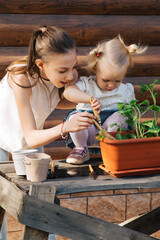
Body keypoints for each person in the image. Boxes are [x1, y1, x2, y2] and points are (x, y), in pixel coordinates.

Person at [0, 25, 95, 240]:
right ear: (40, 65)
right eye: (63, 70)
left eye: (73, 67)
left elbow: (68, 95)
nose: (70, 74)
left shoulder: (65, 74)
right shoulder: (21, 78)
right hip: (6, 132)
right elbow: (32, 135)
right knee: (0, 198)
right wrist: (65, 127)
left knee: (42, 195)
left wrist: (91, 99)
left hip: (29, 136)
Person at [63, 35, 147, 164]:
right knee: (77, 118)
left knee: (121, 116)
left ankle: (114, 149)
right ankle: (81, 148)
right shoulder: (87, 84)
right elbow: (68, 92)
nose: (111, 85)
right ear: (95, 69)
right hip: (88, 130)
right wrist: (88, 98)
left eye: (117, 80)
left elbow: (133, 111)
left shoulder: (126, 90)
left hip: (111, 132)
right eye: (106, 80)